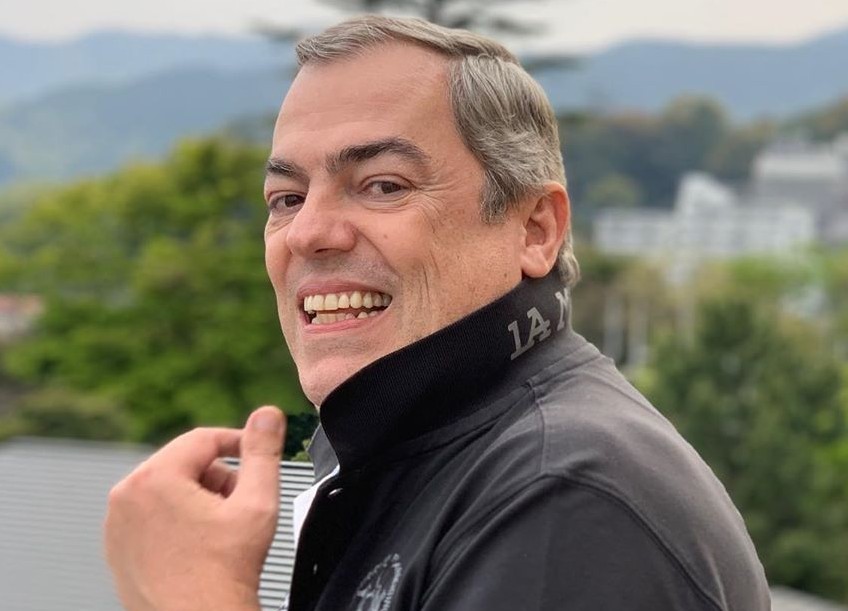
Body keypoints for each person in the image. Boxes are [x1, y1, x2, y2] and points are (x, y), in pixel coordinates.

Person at [104, 15, 771, 611]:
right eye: (287, 198)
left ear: (535, 229)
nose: (308, 233)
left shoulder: (565, 495)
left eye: (382, 185)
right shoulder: (431, 458)